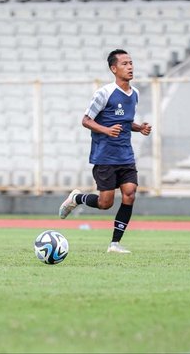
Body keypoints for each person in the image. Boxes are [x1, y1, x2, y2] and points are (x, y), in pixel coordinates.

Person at [59, 49, 152, 254]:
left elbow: (125, 123)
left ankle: (115, 244)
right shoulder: (104, 93)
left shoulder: (134, 94)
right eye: (125, 63)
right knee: (105, 203)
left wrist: (139, 128)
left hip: (125, 155)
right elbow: (86, 120)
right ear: (114, 68)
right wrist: (106, 130)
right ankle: (77, 199)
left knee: (130, 194)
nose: (130, 67)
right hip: (105, 156)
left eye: (131, 63)